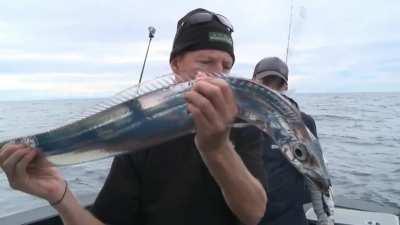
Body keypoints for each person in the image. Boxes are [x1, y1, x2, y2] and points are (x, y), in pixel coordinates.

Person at [0, 8, 267, 225]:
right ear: (175, 65)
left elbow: (253, 213)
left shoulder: (242, 126)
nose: (218, 75)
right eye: (206, 63)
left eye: (226, 66)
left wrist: (217, 148)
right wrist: (59, 196)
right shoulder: (141, 134)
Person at [252, 57, 318, 225]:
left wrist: (325, 219)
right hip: (246, 214)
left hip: (289, 216)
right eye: (265, 81)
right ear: (253, 82)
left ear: (285, 87)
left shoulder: (305, 123)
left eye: (278, 84)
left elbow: (316, 174)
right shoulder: (237, 119)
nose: (271, 89)